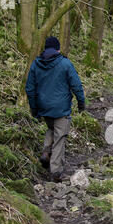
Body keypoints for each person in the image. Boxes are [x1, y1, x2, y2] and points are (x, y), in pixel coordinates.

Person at [26, 36, 85, 183]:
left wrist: (35, 109)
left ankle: (46, 151)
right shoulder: (65, 64)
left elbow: (30, 88)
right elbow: (76, 85)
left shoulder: (35, 64)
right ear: (58, 49)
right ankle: (56, 172)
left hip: (44, 107)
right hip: (61, 109)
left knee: (52, 128)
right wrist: (81, 102)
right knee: (60, 137)